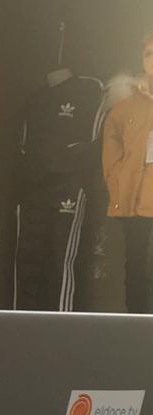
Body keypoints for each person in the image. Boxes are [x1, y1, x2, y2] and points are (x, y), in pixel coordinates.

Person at [102, 32, 153, 315]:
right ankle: (137, 332)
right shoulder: (124, 106)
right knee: (134, 266)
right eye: (148, 54)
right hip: (134, 200)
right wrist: (117, 183)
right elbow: (111, 149)